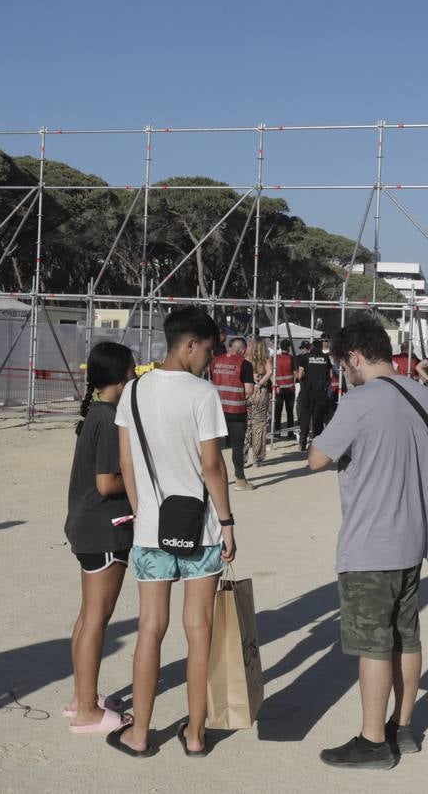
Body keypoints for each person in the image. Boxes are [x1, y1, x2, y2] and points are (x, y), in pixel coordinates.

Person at [307, 317, 428, 770]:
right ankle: (402, 729)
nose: (345, 372)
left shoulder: (358, 400)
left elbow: (317, 459)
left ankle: (372, 741)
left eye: (344, 364)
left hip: (370, 542)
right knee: (407, 636)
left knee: (374, 644)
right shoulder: (426, 396)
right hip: (414, 536)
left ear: (355, 357)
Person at [110, 306, 237, 759]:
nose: (210, 358)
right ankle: (196, 734)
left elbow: (126, 463)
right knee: (198, 629)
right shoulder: (203, 395)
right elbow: (211, 465)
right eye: (208, 349)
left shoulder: (134, 391)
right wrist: (226, 522)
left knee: (150, 628)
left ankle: (139, 733)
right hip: (201, 529)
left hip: (151, 531)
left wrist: (144, 511)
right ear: (189, 344)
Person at [65, 341, 137, 734]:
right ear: (121, 376)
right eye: (131, 371)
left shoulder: (97, 412)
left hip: (89, 525)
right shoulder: (109, 418)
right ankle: (88, 710)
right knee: (96, 619)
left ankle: (82, 697)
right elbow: (108, 483)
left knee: (87, 616)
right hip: (105, 528)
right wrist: (141, 474)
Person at [211, 336, 256, 491]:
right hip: (236, 412)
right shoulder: (245, 364)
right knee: (237, 447)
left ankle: (209, 481)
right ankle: (240, 480)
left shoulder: (215, 361)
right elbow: (249, 390)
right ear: (243, 350)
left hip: (216, 411)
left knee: (213, 447)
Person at [297, 335, 334, 450]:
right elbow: (331, 375)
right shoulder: (325, 358)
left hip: (307, 392)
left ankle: (302, 443)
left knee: (305, 418)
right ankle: (316, 444)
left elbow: (299, 375)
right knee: (318, 419)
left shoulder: (305, 357)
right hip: (321, 393)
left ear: (312, 347)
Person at [245, 338, 273, 467]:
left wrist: (252, 380)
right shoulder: (266, 359)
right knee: (259, 424)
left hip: (247, 391)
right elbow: (270, 372)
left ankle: (243, 457)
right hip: (261, 391)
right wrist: (260, 383)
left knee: (247, 423)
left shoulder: (247, 359)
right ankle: (258, 457)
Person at [273, 341, 297, 440]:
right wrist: (294, 383)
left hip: (279, 389)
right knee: (289, 412)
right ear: (289, 348)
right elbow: (295, 373)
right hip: (290, 389)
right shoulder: (291, 358)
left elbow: (272, 373)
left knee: (277, 412)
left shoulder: (275, 358)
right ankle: (290, 433)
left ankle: (277, 433)